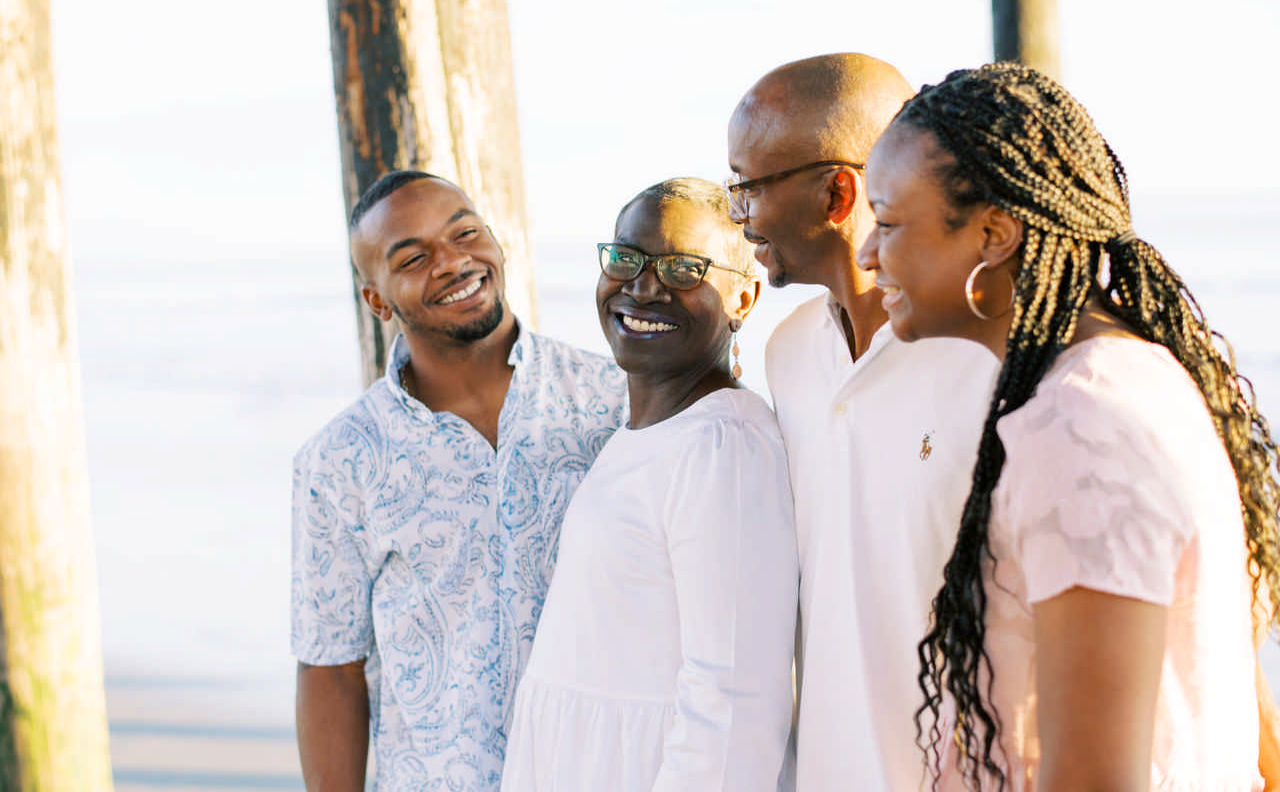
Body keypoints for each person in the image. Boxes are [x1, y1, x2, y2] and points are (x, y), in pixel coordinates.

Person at [856, 61, 1280, 791]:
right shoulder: (1129, 380)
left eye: (889, 223)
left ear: (993, 232)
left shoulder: (1084, 425)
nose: (868, 255)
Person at [291, 171, 628, 792]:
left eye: (466, 233)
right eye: (415, 258)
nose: (453, 262)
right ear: (377, 301)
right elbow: (330, 669)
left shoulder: (616, 405)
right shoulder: (339, 461)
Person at [726, 53, 999, 791]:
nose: (737, 214)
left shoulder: (983, 357)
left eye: (747, 186)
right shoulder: (785, 353)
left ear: (837, 192)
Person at [500, 178, 798, 791]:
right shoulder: (647, 434)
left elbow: (733, 696)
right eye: (626, 258)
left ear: (743, 298)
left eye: (684, 269)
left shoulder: (723, 448)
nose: (643, 286)